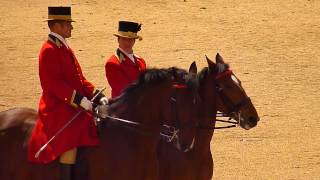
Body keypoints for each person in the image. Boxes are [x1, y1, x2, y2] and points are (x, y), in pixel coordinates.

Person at [27, 6, 106, 180]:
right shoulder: (48, 49)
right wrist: (78, 99)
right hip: (57, 105)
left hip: (71, 102)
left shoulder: (64, 47)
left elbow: (79, 78)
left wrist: (96, 95)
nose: (71, 27)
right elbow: (53, 84)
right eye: (67, 24)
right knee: (71, 136)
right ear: (56, 26)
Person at [105, 21, 147, 98]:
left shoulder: (141, 61)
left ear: (134, 41)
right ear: (118, 40)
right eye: (124, 39)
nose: (127, 43)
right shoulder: (113, 63)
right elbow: (122, 89)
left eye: (130, 40)